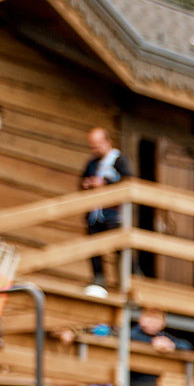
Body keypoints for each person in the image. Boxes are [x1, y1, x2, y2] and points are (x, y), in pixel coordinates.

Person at [78, 127, 125, 298]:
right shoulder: (92, 163)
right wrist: (87, 184)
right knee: (93, 249)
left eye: (98, 144)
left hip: (113, 215)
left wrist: (105, 184)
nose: (95, 147)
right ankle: (98, 279)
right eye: (92, 145)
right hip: (95, 214)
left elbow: (129, 180)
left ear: (107, 142)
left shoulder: (119, 160)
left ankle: (128, 279)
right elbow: (81, 181)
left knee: (120, 249)